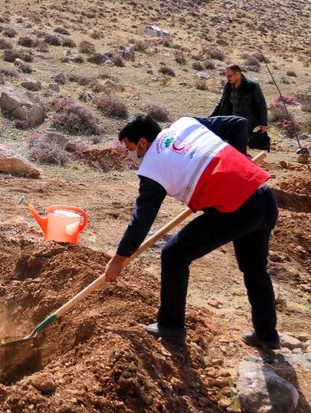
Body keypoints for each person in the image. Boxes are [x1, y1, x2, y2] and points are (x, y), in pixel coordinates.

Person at [104, 114, 280, 349]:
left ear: (143, 143)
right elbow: (239, 123)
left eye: (130, 148)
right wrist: (241, 159)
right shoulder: (185, 124)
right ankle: (267, 335)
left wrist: (119, 258)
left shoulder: (152, 165)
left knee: (174, 255)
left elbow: (142, 219)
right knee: (255, 268)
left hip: (236, 209)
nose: (130, 155)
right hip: (263, 196)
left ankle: (170, 327)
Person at [210, 64, 268, 139]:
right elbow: (221, 103)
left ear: (237, 74)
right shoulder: (228, 86)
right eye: (226, 76)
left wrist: (263, 123)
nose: (227, 79)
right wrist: (210, 118)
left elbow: (262, 105)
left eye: (229, 76)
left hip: (247, 123)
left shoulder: (252, 86)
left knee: (240, 145)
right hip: (232, 121)